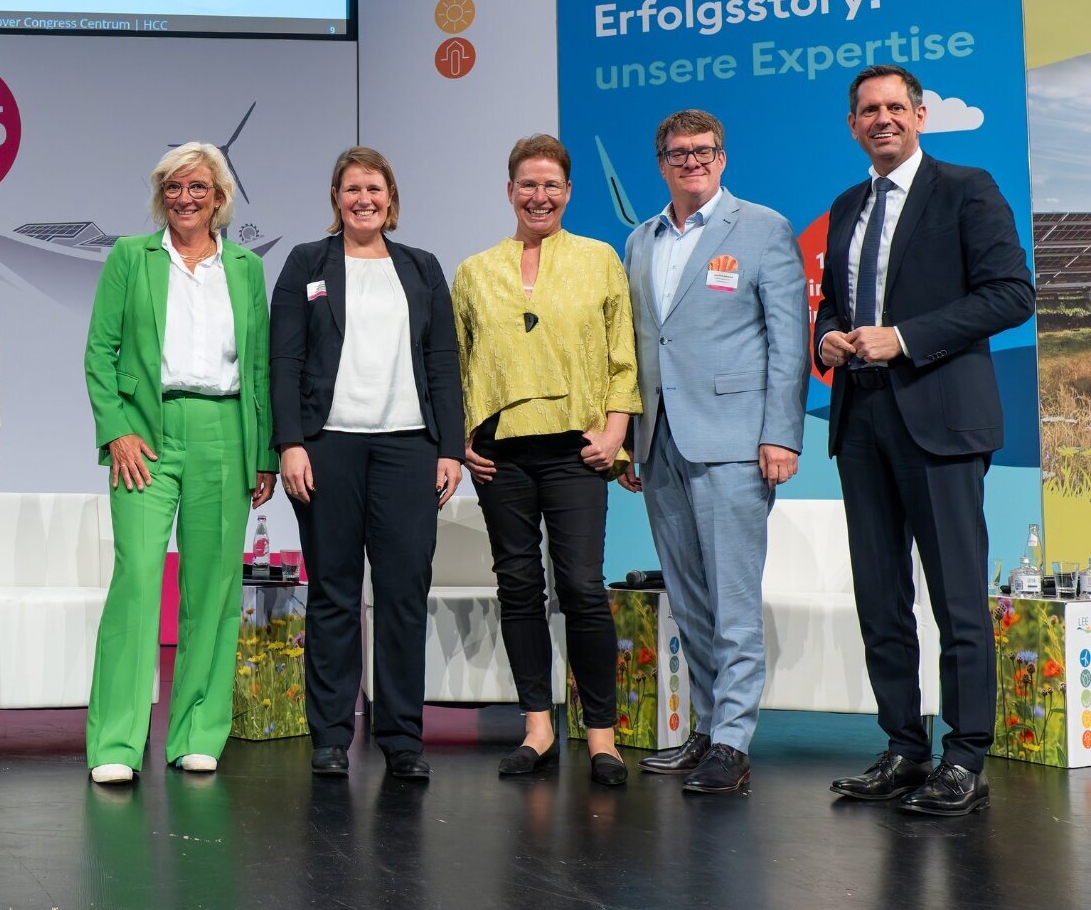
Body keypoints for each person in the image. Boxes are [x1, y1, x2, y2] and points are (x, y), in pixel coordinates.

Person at [816, 65, 1034, 816]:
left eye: (895, 108)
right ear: (853, 125)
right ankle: (904, 747)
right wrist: (831, 341)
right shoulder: (847, 206)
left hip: (941, 423)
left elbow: (1011, 293)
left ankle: (964, 755)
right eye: (868, 110)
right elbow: (834, 308)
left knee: (956, 603)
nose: (882, 119)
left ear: (919, 115)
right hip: (861, 424)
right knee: (881, 601)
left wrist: (904, 339)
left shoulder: (967, 189)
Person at [617, 110, 807, 794]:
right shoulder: (640, 240)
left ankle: (732, 739)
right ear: (661, 162)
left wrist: (782, 432)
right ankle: (705, 727)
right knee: (690, 599)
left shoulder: (762, 228)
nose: (690, 160)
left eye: (702, 150)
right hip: (659, 439)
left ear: (722, 157)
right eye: (677, 152)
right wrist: (626, 438)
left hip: (733, 439)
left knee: (731, 597)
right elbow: (638, 345)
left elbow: (790, 339)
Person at [83, 143, 277, 784]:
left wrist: (264, 453)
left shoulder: (247, 268)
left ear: (220, 197)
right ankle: (116, 743)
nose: (185, 197)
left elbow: (258, 369)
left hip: (224, 432)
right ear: (160, 195)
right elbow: (100, 353)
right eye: (173, 187)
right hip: (147, 431)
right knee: (137, 580)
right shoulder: (129, 258)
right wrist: (117, 434)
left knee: (214, 592)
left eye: (198, 187)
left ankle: (198, 732)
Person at [452, 133, 641, 786]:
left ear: (568, 192)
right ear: (510, 192)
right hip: (500, 456)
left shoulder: (599, 259)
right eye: (527, 184)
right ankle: (537, 728)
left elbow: (623, 354)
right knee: (519, 587)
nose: (539, 195)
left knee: (584, 588)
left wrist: (617, 431)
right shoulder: (475, 270)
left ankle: (601, 738)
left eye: (551, 185)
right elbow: (457, 362)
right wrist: (461, 439)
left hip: (578, 451)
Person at [269, 146, 463, 780]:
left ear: (391, 199)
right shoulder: (306, 263)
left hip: (408, 447)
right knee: (332, 593)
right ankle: (329, 736)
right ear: (336, 198)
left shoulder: (421, 267)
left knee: (405, 594)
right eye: (351, 189)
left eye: (374, 189)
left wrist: (450, 449)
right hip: (330, 447)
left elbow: (442, 364)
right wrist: (291, 443)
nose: (363, 199)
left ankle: (402, 738)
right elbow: (286, 361)